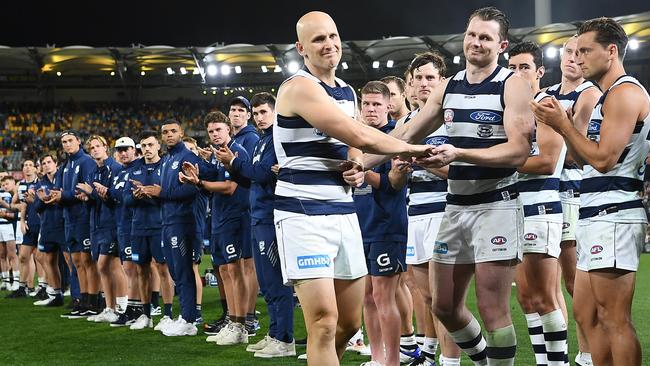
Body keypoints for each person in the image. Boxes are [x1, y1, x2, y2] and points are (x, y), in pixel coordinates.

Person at [366, 7, 535, 365]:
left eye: (486, 37)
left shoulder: (512, 84)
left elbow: (519, 151)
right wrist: (360, 163)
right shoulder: (449, 86)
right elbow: (407, 133)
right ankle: (484, 359)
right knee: (442, 305)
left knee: (491, 307)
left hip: (497, 205)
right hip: (456, 207)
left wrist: (458, 153)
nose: (477, 42)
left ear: (501, 45)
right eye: (473, 34)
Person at [272, 11, 431, 365]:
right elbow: (356, 133)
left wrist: (357, 164)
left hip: (343, 213)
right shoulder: (298, 87)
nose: (328, 44)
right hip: (302, 214)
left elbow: (354, 143)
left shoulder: (344, 89)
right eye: (318, 39)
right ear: (301, 48)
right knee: (324, 323)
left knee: (347, 323)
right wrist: (411, 147)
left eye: (332, 36)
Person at [532, 17, 649, 366]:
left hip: (615, 213)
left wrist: (564, 125)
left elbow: (605, 160)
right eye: (575, 51)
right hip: (594, 211)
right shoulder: (606, 97)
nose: (578, 58)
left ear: (611, 51)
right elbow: (583, 159)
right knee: (586, 314)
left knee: (614, 318)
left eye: (586, 50)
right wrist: (563, 130)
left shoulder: (626, 92)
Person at [216, 92, 297, 357]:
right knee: (266, 280)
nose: (261, 117)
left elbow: (262, 173)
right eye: (258, 112)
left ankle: (284, 339)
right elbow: (254, 176)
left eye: (265, 112)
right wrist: (234, 165)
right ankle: (274, 333)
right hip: (258, 215)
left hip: (272, 215)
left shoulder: (277, 138)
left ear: (275, 112)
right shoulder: (262, 141)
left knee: (275, 281)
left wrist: (236, 163)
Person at [507, 41, 568, 366]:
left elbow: (546, 161)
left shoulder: (545, 105)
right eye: (512, 68)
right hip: (517, 209)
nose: (517, 74)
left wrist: (499, 161)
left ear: (540, 72)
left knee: (545, 298)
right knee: (526, 298)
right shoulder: (514, 109)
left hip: (541, 209)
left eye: (524, 67)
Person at [543, 35, 601, 366]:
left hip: (571, 191)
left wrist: (555, 130)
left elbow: (573, 153)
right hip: (548, 191)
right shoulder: (548, 93)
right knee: (555, 283)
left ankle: (588, 353)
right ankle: (569, 354)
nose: (572, 58)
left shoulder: (589, 93)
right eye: (567, 51)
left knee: (574, 280)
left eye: (579, 52)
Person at [353, 81, 409, 366]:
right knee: (366, 298)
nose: (371, 109)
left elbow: (394, 184)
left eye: (377, 104)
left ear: (388, 105)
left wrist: (362, 172)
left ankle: (392, 362)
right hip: (358, 225)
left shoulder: (396, 138)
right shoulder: (355, 138)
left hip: (387, 225)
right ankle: (376, 358)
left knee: (383, 297)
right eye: (366, 103)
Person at [151, 119, 201, 336]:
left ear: (181, 132)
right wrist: (150, 194)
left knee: (183, 272)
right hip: (168, 221)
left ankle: (189, 320)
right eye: (165, 132)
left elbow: (192, 190)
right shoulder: (166, 160)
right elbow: (164, 194)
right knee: (174, 271)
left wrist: (160, 193)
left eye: (173, 131)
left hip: (182, 222)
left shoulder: (187, 157)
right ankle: (184, 316)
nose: (169, 134)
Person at [48, 130, 100, 319]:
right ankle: (83, 300)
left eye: (70, 140)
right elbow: (60, 190)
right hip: (69, 219)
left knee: (88, 262)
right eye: (64, 142)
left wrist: (63, 196)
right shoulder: (65, 165)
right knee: (77, 262)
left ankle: (93, 302)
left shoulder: (85, 161)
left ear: (78, 141)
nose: (67, 144)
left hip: (83, 218)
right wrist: (54, 196)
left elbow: (85, 190)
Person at [126, 131, 173, 330]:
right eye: (143, 145)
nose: (147, 149)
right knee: (141, 270)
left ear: (158, 146)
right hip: (138, 227)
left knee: (163, 269)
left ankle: (168, 315)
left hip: (160, 225)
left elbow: (171, 195)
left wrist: (151, 193)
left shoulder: (166, 166)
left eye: (150, 145)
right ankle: (146, 315)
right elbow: (124, 200)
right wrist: (136, 195)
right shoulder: (134, 169)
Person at [229, 95, 262, 334]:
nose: (236, 114)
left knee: (249, 266)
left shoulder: (249, 138)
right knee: (239, 266)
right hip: (239, 208)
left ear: (248, 115)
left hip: (247, 208)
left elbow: (249, 172)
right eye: (233, 110)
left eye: (242, 110)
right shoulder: (237, 138)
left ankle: (249, 318)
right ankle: (239, 317)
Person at [33, 154, 65, 306]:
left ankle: (80, 296)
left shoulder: (63, 177)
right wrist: (41, 200)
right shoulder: (40, 184)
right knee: (49, 261)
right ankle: (56, 295)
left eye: (48, 162)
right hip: (47, 226)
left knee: (72, 262)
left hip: (64, 225)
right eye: (43, 163)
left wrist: (55, 198)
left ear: (55, 163)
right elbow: (37, 208)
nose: (46, 165)